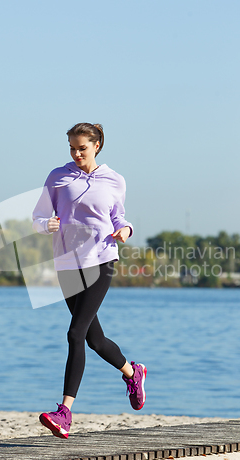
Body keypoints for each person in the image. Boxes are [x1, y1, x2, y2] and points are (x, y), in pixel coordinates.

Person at [32, 123, 147, 439]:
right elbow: (38, 217)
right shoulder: (58, 176)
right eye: (72, 147)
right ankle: (132, 372)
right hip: (67, 263)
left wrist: (126, 229)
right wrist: (47, 223)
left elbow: (118, 216)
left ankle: (65, 412)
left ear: (96, 146)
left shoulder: (114, 180)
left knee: (75, 333)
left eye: (82, 147)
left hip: (101, 261)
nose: (76, 153)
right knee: (95, 340)